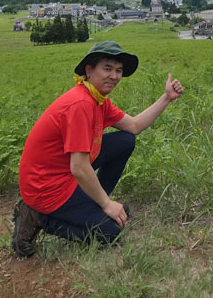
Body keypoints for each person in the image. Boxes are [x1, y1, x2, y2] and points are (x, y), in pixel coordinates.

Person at [11, 40, 184, 257]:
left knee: (125, 141)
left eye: (119, 70)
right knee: (111, 234)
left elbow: (134, 126)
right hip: (47, 187)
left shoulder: (97, 100)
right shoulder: (81, 104)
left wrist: (166, 98)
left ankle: (92, 204)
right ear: (89, 70)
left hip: (61, 172)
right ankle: (37, 216)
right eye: (108, 68)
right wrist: (107, 204)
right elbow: (79, 167)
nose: (114, 76)